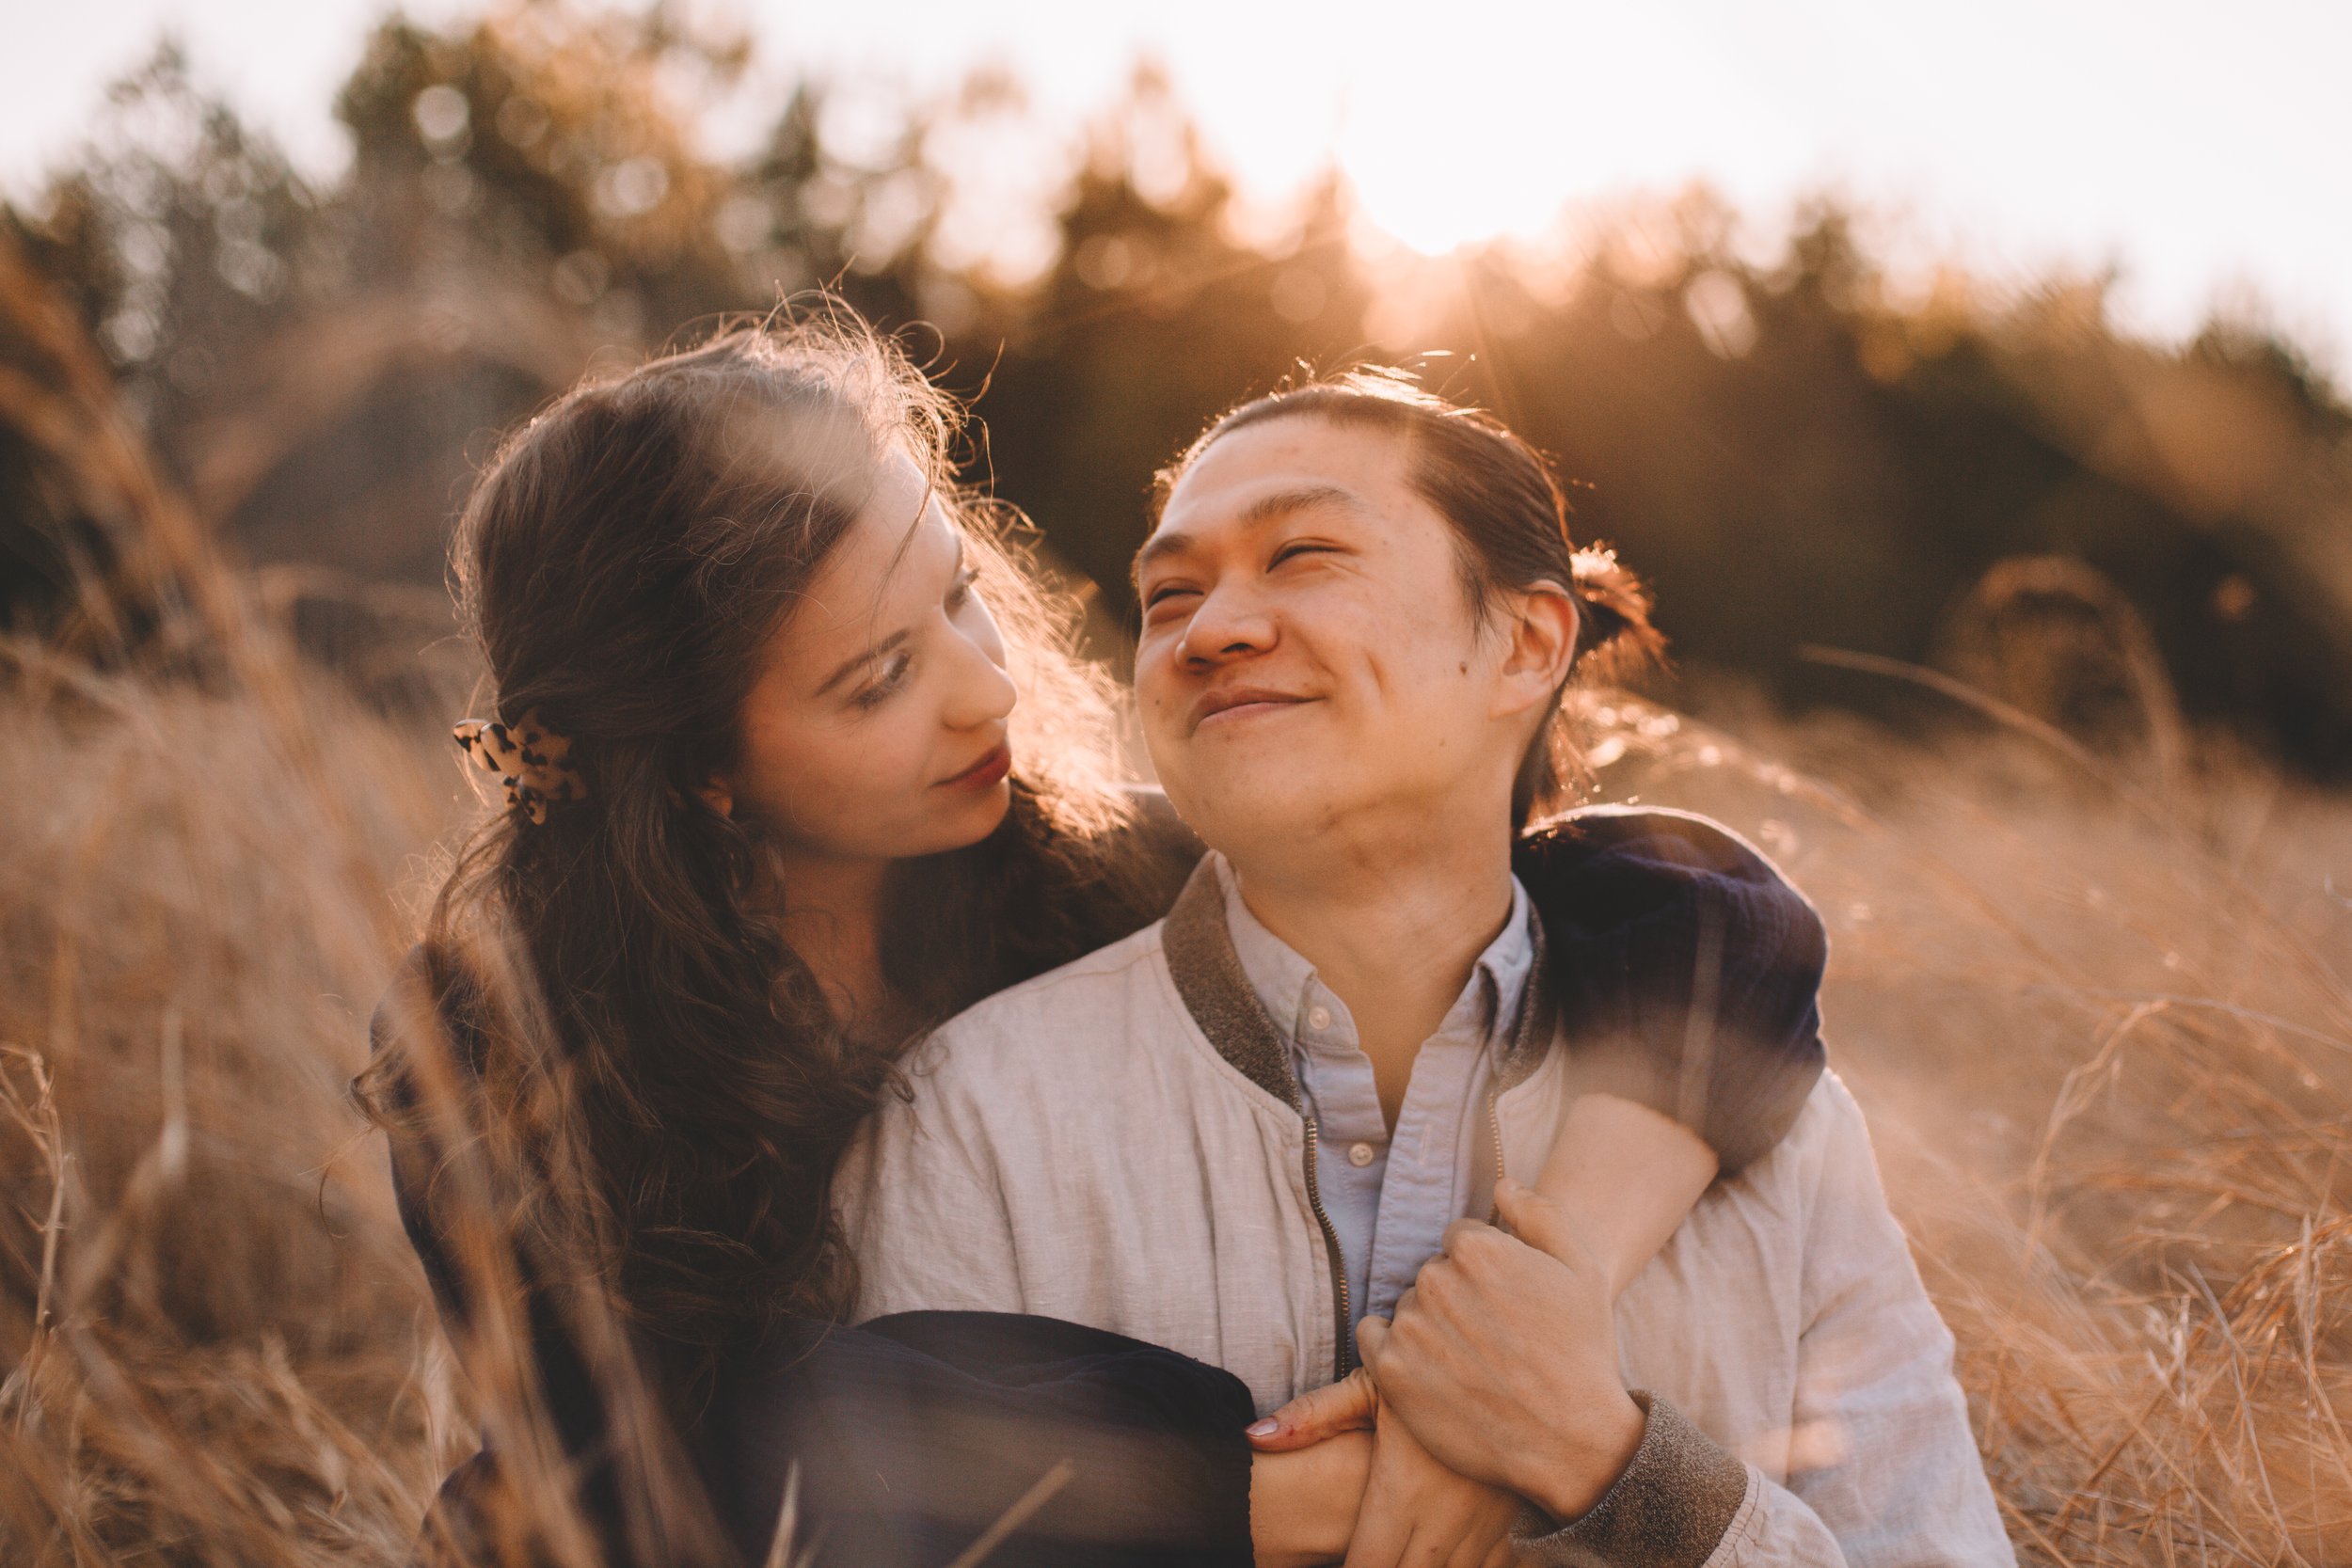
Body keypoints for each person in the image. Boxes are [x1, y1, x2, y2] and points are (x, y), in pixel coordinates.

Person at [357, 318, 1829, 1568]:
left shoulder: (1123, 879)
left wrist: (1550, 1279)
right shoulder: (500, 1040)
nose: (984, 695)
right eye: (880, 679)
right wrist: (1301, 1488)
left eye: (957, 597)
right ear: (698, 768)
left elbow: (1704, 906)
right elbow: (647, 1463)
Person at [843, 371, 2016, 1568]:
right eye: (1169, 593)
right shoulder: (976, 1113)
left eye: (1302, 552)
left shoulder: (1785, 1139)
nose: (1211, 630)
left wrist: (1612, 1466)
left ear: (1526, 642)